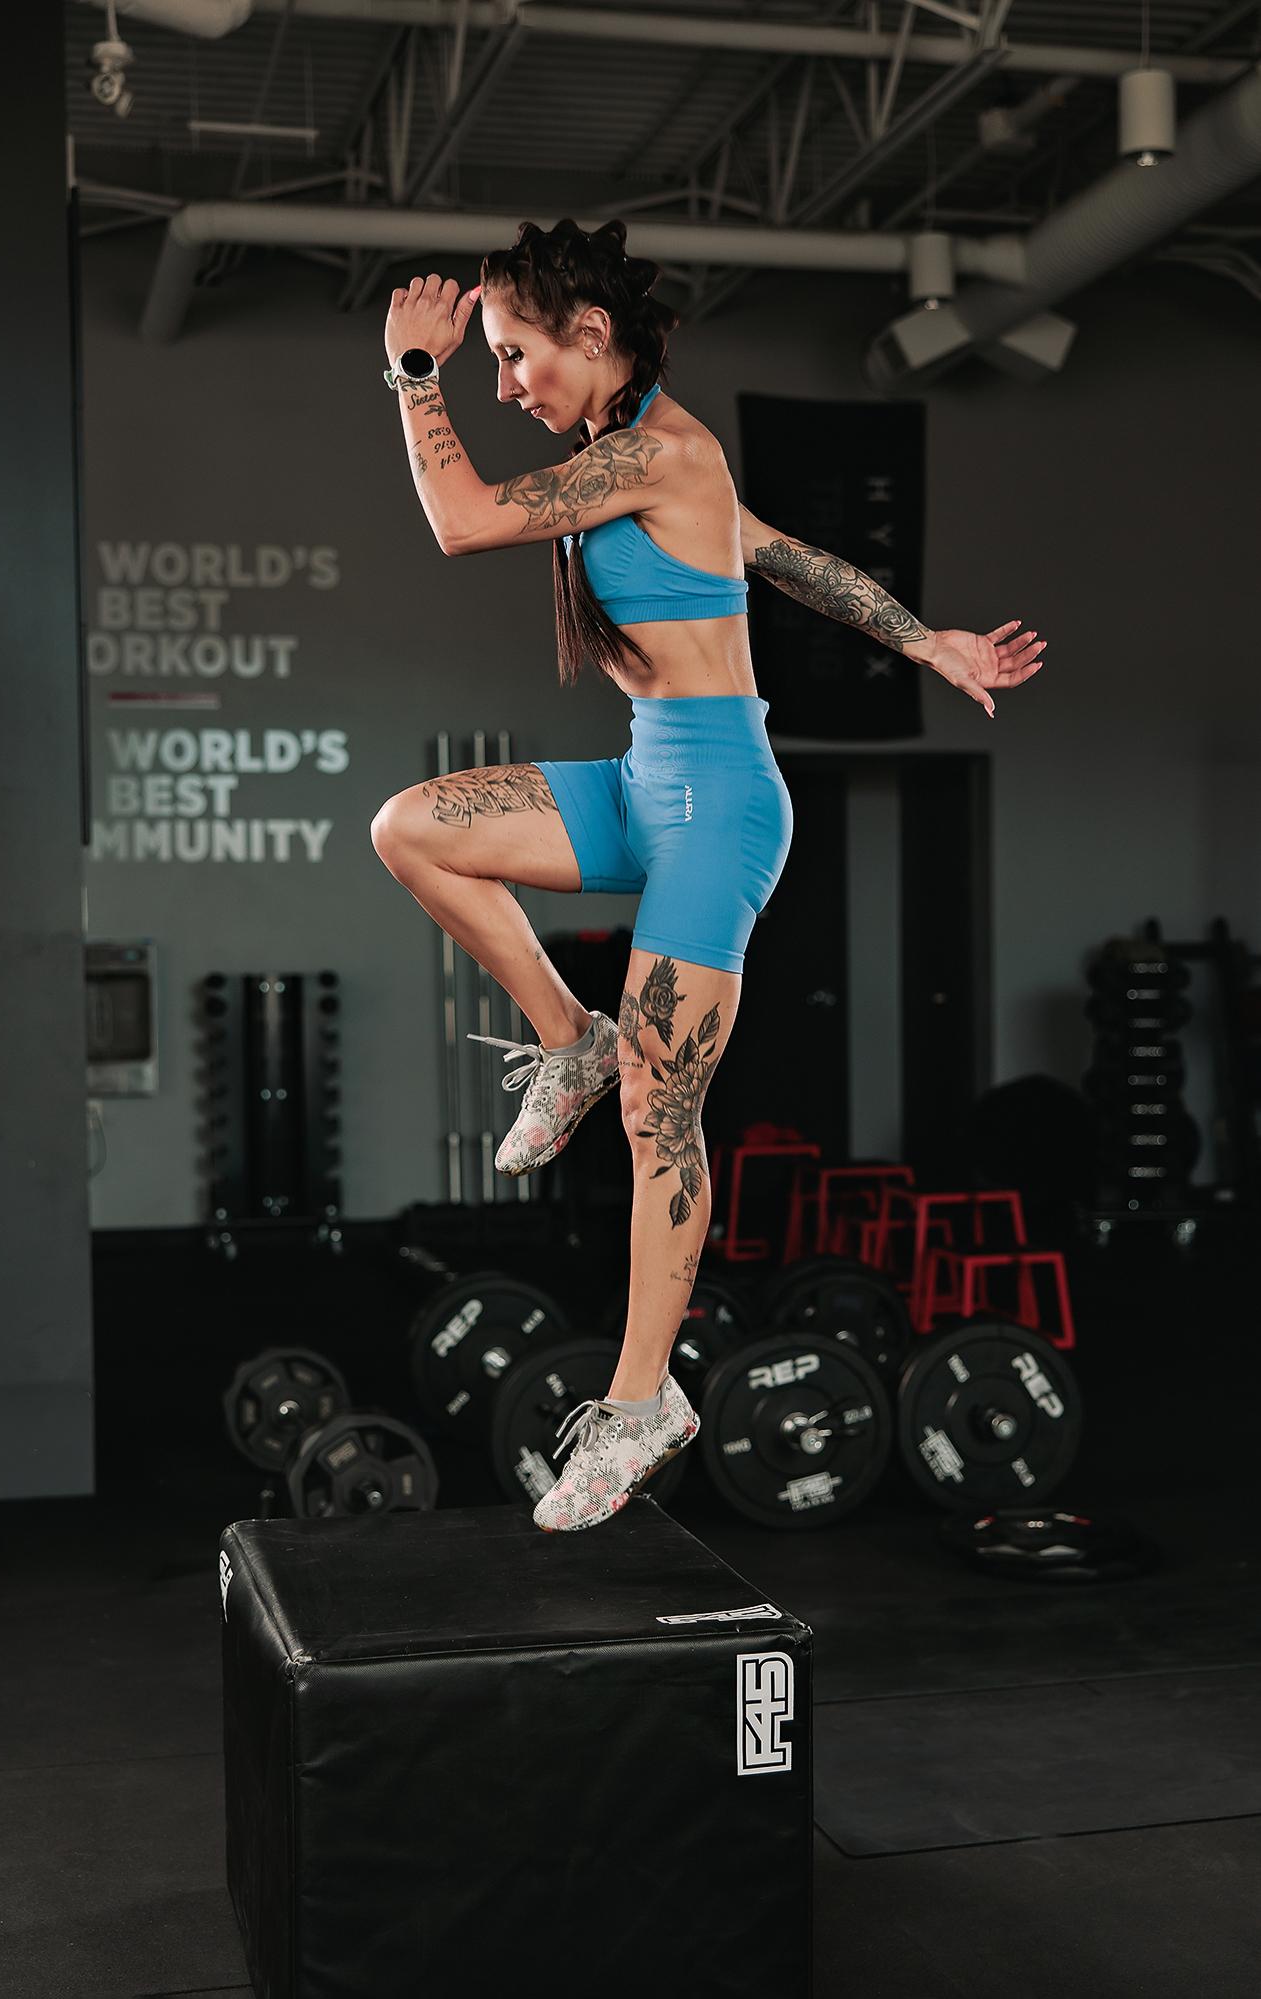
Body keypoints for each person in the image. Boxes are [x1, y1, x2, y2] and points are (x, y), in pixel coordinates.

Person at [371, 217, 1045, 1533]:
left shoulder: (658, 453)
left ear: (589, 335)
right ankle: (566, 1039)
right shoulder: (655, 465)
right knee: (412, 828)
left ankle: (640, 1407)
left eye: (515, 357)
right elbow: (787, 555)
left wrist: (414, 376)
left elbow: (456, 523)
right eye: (488, 362)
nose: (504, 383)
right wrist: (923, 640)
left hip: (719, 807)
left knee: (656, 1113)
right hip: (641, 782)